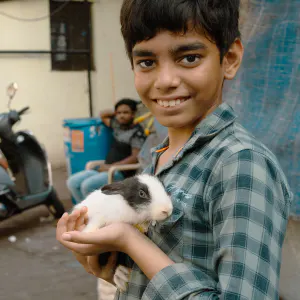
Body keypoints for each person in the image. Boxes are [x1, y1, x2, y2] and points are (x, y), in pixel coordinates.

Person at [57, 1, 293, 299]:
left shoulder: (241, 165)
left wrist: (131, 242)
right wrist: (102, 253)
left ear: (229, 58)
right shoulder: (159, 159)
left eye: (189, 58)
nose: (165, 81)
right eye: (146, 62)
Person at [67, 98, 146, 203]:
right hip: (105, 168)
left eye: (125, 112)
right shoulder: (117, 125)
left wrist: (110, 167)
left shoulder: (137, 133)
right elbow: (103, 115)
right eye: (119, 113)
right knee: (72, 182)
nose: (121, 115)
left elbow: (135, 158)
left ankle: (93, 213)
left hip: (119, 172)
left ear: (133, 114)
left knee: (87, 186)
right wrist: (116, 113)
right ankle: (84, 212)